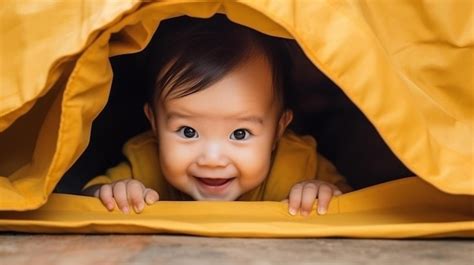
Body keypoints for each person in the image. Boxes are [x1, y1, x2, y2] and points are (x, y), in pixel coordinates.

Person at [83, 15, 351, 216]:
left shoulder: (297, 163)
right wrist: (113, 192)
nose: (212, 159)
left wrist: (323, 192)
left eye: (240, 133)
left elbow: (352, 200)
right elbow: (86, 198)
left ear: (278, 131)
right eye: (188, 131)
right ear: (154, 123)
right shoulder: (145, 160)